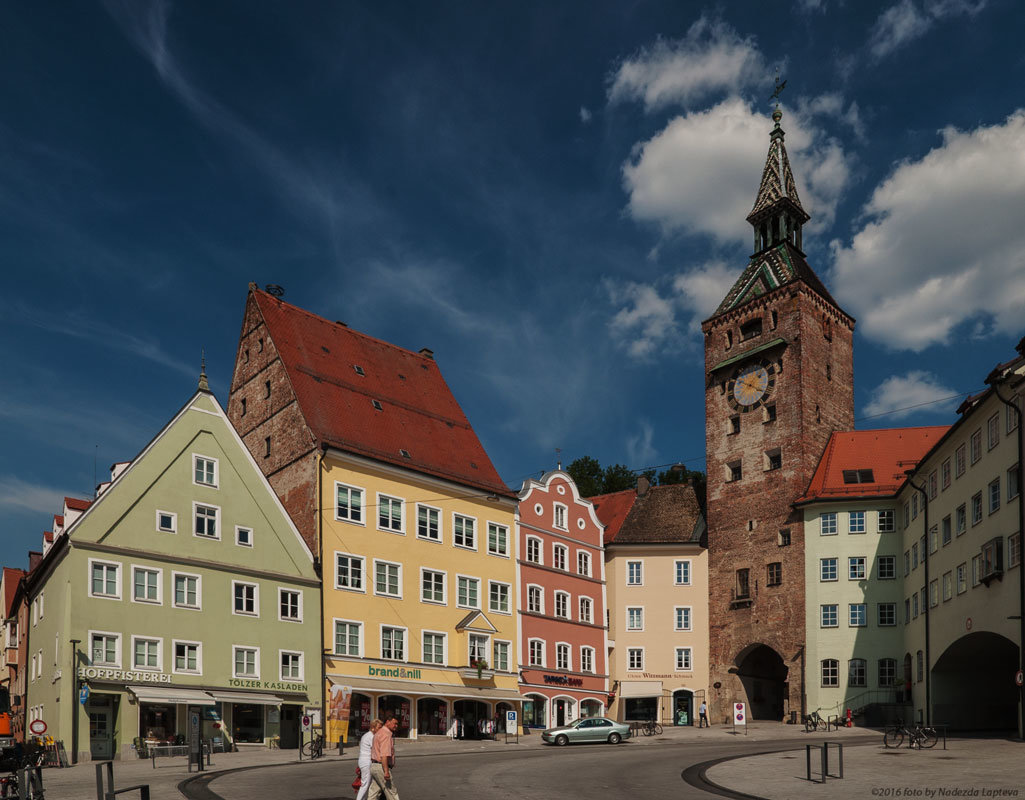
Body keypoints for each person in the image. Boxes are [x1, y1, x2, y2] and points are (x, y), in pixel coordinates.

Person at [368, 715, 400, 800]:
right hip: (381, 767)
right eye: (394, 723)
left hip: (374, 766)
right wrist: (386, 771)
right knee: (391, 792)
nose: (396, 726)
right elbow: (384, 755)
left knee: (374, 793)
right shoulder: (386, 735)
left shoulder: (379, 732)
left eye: (397, 724)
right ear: (387, 722)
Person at [355, 719, 382, 800]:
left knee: (368, 783)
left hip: (365, 761)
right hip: (367, 761)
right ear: (373, 728)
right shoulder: (371, 736)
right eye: (379, 727)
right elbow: (377, 749)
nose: (380, 729)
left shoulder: (367, 735)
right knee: (365, 784)